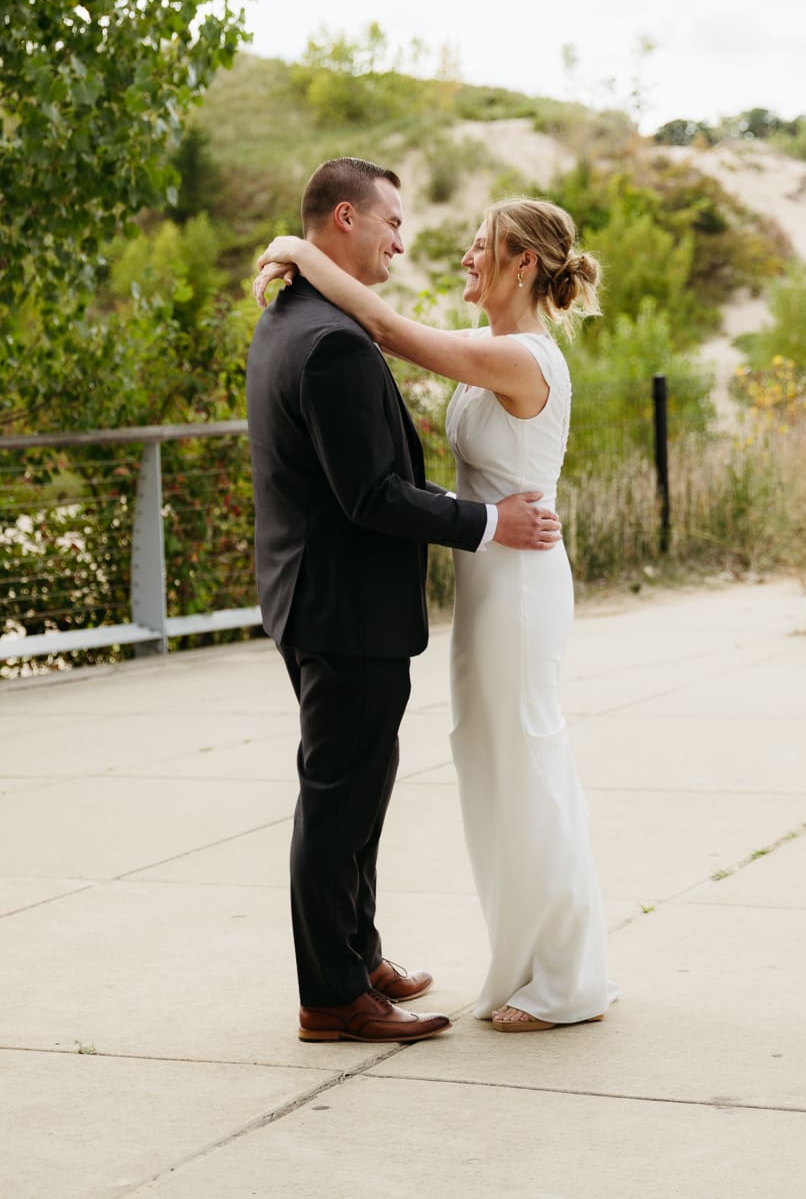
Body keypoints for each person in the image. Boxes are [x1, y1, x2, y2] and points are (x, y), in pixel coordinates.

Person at [254, 195, 617, 1033]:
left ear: (523, 263)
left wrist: (301, 254)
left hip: (520, 584)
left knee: (526, 761)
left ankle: (564, 977)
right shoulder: (494, 349)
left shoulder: (526, 358)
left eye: (481, 246)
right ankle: (524, 959)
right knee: (489, 766)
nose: (464, 256)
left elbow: (392, 332)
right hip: (487, 580)